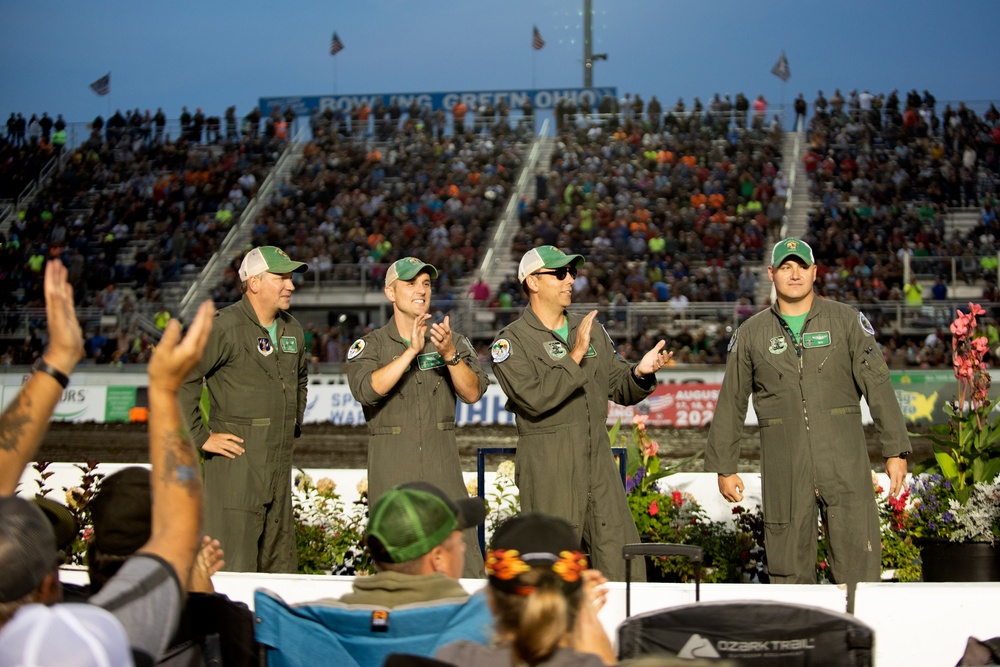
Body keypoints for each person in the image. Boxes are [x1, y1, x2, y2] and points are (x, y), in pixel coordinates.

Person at [0, 259, 216, 662]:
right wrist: (165, 391)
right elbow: (178, 529)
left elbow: (176, 530)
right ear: (51, 582)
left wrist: (57, 361)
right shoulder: (94, 639)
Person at [705, 238, 910, 612]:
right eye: (785, 267)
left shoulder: (847, 322)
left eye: (801, 266)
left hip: (845, 464)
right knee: (789, 576)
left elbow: (878, 386)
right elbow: (731, 401)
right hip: (785, 469)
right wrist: (725, 465)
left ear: (815, 272)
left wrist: (895, 449)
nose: (794, 273)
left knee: (859, 571)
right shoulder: (751, 334)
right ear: (772, 274)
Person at [489, 246, 673, 581]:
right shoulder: (510, 343)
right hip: (548, 465)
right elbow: (534, 398)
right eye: (560, 274)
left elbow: (619, 386)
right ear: (532, 281)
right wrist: (574, 355)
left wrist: (641, 373)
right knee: (547, 571)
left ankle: (617, 633)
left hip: (598, 460)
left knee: (624, 562)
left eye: (572, 272)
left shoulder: (590, 329)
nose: (570, 279)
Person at [346, 257, 488, 578]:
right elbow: (367, 391)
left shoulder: (449, 341)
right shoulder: (369, 346)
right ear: (390, 293)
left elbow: (473, 392)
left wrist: (450, 354)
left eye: (426, 283)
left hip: (443, 471)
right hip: (393, 471)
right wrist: (410, 351)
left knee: (464, 568)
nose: (421, 290)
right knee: (399, 570)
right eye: (410, 284)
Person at [180, 246, 309, 573]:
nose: (290, 285)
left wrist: (293, 424)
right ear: (254, 283)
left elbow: (301, 377)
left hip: (279, 467)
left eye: (290, 278)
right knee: (233, 569)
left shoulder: (293, 329)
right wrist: (200, 436)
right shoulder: (223, 327)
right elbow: (181, 378)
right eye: (281, 278)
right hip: (237, 468)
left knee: (279, 570)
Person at [436, 512, 615, 666]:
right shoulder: (591, 664)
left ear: (490, 600)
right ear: (575, 604)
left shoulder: (456, 659)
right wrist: (583, 611)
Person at [339, 481, 488, 607]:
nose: (462, 548)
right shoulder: (484, 629)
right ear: (438, 558)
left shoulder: (327, 621)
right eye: (459, 541)